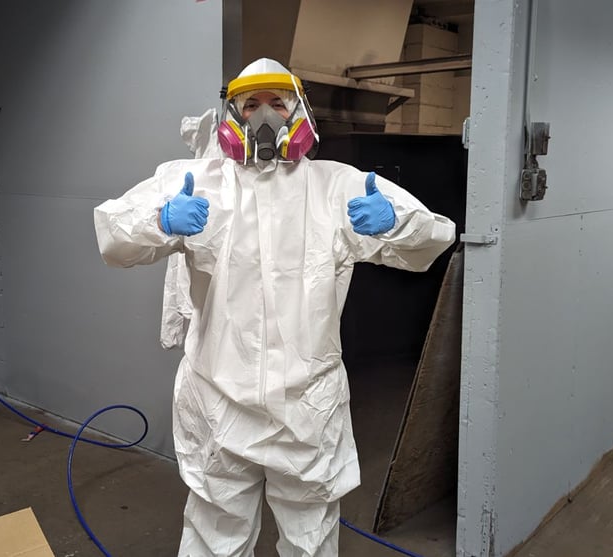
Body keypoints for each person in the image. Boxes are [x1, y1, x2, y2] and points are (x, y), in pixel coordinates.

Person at [94, 58, 456, 557]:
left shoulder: (336, 187)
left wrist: (395, 223)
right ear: (232, 115)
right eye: (251, 103)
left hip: (305, 407)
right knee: (214, 538)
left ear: (299, 113)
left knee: (309, 538)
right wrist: (161, 219)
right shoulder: (197, 182)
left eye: (278, 102)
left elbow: (435, 236)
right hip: (219, 401)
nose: (265, 115)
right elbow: (113, 236)